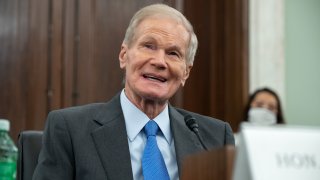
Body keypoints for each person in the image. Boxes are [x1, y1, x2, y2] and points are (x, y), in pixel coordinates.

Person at [32, 4, 234, 180]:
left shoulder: (215, 138)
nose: (159, 61)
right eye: (148, 46)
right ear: (123, 55)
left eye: (173, 53)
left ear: (186, 72)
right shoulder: (69, 130)